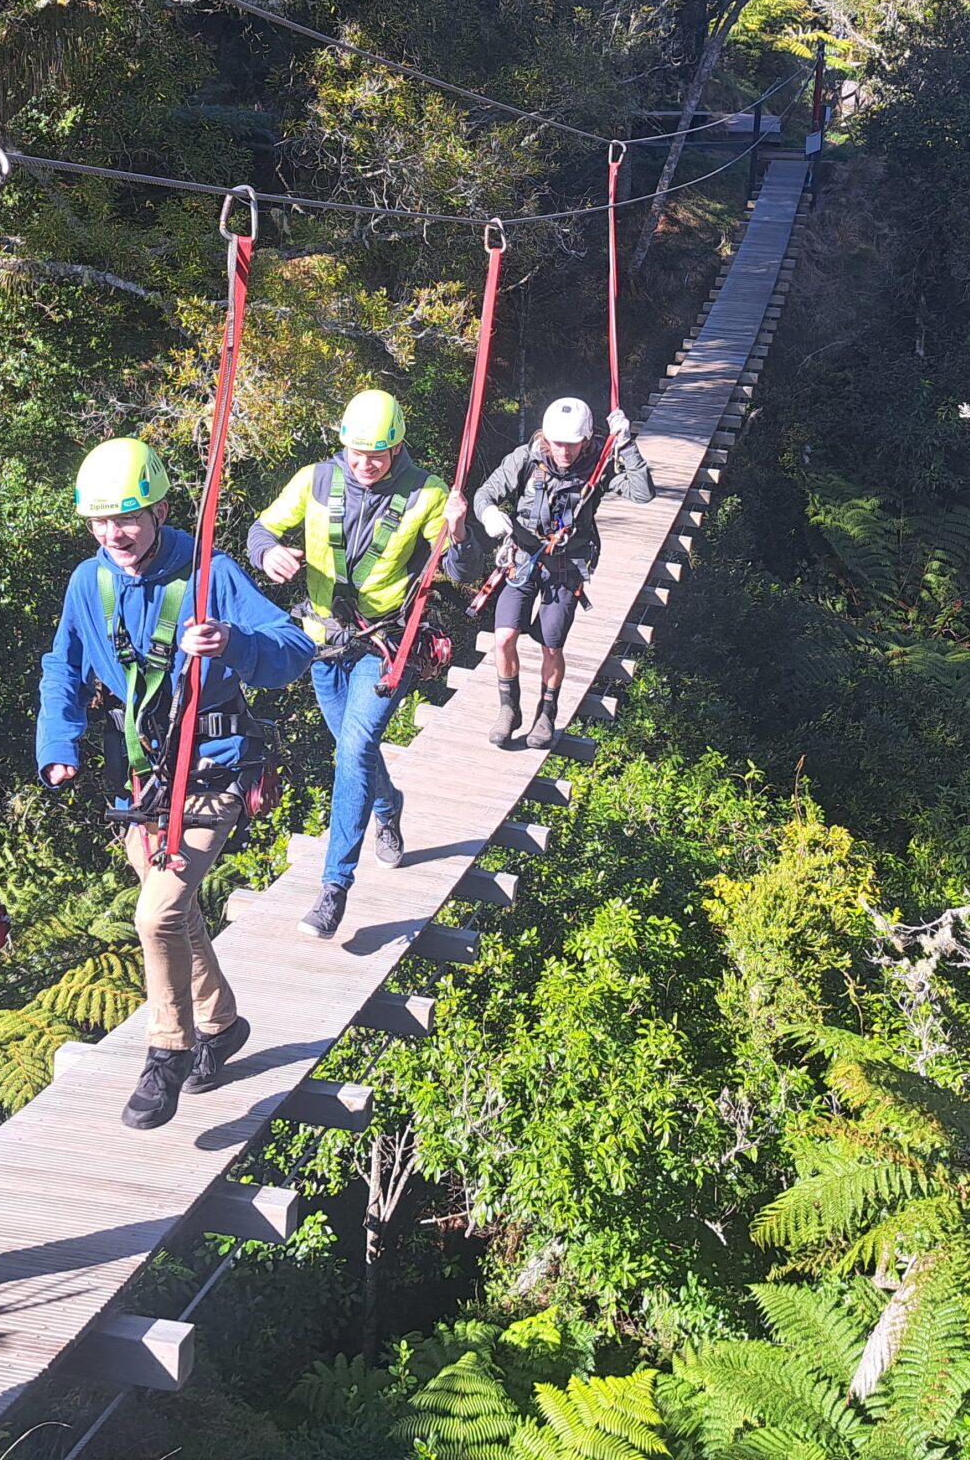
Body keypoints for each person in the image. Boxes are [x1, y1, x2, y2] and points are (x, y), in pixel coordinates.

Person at [36, 438, 317, 1130]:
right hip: (141, 776)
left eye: (127, 518)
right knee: (177, 912)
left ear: (159, 509)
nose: (114, 534)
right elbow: (63, 668)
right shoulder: (87, 582)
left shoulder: (210, 574)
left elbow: (293, 651)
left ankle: (167, 1050)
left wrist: (233, 642)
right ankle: (220, 1023)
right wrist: (57, 742)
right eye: (100, 522)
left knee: (155, 913)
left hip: (213, 768)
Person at [247, 389, 480, 940]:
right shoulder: (315, 481)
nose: (366, 463)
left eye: (378, 454)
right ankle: (388, 805)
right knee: (352, 749)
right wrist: (268, 554)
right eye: (356, 452)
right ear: (343, 445)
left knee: (353, 749)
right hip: (323, 643)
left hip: (384, 645)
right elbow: (261, 530)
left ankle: (334, 888)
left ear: (398, 447)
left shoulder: (427, 493)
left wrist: (461, 527)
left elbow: (463, 569)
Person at [472, 399, 653, 748]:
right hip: (523, 560)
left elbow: (643, 494)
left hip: (566, 568)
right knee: (504, 637)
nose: (564, 451)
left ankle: (546, 713)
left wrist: (627, 444)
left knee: (551, 646)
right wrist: (489, 513)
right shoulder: (526, 459)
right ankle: (509, 709)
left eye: (572, 444)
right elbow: (485, 493)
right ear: (546, 439)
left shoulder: (598, 467)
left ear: (586, 440)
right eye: (558, 443)